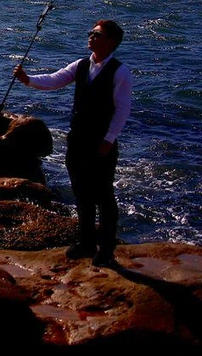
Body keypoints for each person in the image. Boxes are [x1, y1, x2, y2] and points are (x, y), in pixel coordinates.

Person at [14, 19, 132, 267]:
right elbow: (55, 80)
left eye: (96, 34)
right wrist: (27, 79)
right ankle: (87, 242)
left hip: (101, 142)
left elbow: (122, 110)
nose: (90, 36)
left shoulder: (120, 72)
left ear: (111, 42)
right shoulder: (81, 65)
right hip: (77, 139)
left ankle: (107, 249)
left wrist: (109, 139)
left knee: (104, 195)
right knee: (81, 192)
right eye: (91, 33)